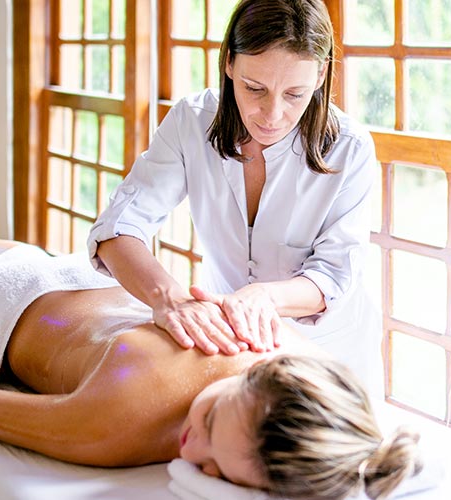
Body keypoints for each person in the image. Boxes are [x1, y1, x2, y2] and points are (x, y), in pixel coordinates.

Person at [0, 220, 420, 500]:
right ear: (262, 376)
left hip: (87, 280)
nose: (194, 449)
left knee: (38, 264)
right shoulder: (120, 422)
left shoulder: (296, 358)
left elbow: (356, 438)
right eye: (211, 419)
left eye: (217, 472)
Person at [86, 0, 383, 396]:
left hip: (329, 352)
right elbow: (118, 228)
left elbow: (331, 276)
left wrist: (263, 296)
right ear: (229, 62)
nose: (272, 114)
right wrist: (169, 299)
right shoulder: (191, 121)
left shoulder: (350, 148)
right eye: (254, 88)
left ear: (320, 74)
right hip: (232, 346)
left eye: (295, 94)